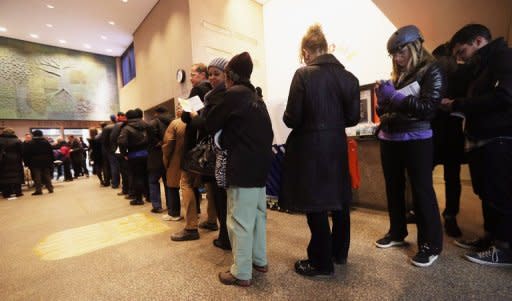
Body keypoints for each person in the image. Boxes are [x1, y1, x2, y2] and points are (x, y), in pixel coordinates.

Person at [279, 24, 360, 278]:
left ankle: (320, 262)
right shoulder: (350, 78)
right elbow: (353, 118)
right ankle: (339, 253)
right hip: (336, 145)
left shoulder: (303, 75)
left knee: (316, 203)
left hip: (310, 148)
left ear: (306, 52)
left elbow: (292, 118)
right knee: (338, 201)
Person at [374, 25, 445, 267]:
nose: (396, 58)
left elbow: (428, 108)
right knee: (394, 189)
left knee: (422, 191)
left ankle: (431, 244)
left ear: (415, 47)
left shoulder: (432, 70)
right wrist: (381, 99)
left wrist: (394, 96)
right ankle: (397, 233)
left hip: (417, 139)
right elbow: (386, 110)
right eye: (393, 54)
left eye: (400, 52)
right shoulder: (398, 75)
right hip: (390, 137)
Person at [441, 24, 512, 266]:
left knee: (501, 193)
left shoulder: (503, 57)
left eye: (462, 51)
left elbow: (504, 96)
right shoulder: (482, 66)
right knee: (487, 192)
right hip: (484, 137)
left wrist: (459, 105)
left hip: (499, 136)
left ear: (479, 41)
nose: (460, 59)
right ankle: (490, 238)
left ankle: (504, 248)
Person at [206, 52, 273, 287]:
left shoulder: (232, 95)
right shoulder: (257, 96)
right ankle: (259, 260)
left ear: (229, 75)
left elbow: (210, 122)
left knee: (239, 220)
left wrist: (215, 93)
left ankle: (241, 272)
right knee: (257, 216)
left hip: (242, 166)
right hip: (261, 167)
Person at [431, 42, 471, 238]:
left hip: (444, 130)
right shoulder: (461, 72)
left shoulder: (462, 74)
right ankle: (446, 216)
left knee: (449, 177)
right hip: (442, 130)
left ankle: (447, 215)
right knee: (449, 177)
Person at [170, 63, 213, 242]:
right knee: (210, 184)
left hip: (194, 145)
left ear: (203, 74)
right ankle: (212, 220)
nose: (191, 78)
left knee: (186, 182)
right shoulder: (214, 91)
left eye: (194, 74)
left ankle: (191, 226)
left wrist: (183, 113)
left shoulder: (198, 90)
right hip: (209, 145)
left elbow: (188, 117)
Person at [196, 57, 231, 250]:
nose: (212, 78)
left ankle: (226, 237)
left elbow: (208, 124)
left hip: (221, 154)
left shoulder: (219, 96)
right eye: (210, 74)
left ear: (227, 74)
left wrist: (196, 116)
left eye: (216, 74)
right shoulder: (215, 95)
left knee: (222, 198)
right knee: (219, 198)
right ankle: (225, 235)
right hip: (221, 152)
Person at [117, 109, 150, 206]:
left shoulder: (126, 128)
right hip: (147, 154)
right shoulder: (146, 125)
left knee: (137, 177)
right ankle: (149, 196)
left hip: (134, 155)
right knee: (146, 176)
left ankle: (139, 199)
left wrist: (124, 154)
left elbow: (121, 142)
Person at [162, 104, 187, 221]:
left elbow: (169, 143)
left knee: (172, 186)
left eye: (179, 107)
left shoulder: (175, 123)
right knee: (192, 186)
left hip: (175, 159)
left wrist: (166, 157)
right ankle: (196, 211)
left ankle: (174, 213)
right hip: (192, 159)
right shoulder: (196, 121)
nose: (178, 110)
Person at [147, 106, 173, 213]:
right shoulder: (173, 121)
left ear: (156, 113)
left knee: (153, 181)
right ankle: (171, 206)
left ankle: (157, 206)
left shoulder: (153, 123)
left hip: (155, 157)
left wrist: (158, 143)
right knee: (168, 182)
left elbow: (150, 138)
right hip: (169, 156)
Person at [22, 130, 54, 195]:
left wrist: (26, 163)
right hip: (46, 161)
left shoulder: (30, 143)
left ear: (33, 135)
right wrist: (52, 160)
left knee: (37, 176)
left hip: (35, 162)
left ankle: (38, 190)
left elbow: (26, 154)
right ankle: (50, 188)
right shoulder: (46, 142)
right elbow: (51, 152)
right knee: (47, 175)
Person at [0, 128, 24, 198]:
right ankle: (18, 192)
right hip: (16, 160)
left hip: (3, 161)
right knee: (17, 176)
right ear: (13, 133)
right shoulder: (17, 140)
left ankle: (6, 193)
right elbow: (22, 151)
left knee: (4, 177)